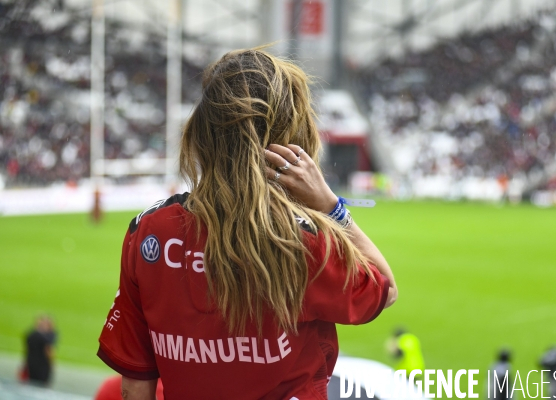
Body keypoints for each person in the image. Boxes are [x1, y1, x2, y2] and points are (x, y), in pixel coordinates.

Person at [97, 48, 398, 399]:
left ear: (201, 134)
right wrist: (333, 208)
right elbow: (385, 290)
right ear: (287, 141)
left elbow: (136, 386)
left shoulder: (149, 232)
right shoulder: (300, 242)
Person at [24, 315, 55, 386]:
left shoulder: (30, 335)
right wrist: (52, 364)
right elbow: (49, 352)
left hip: (31, 362)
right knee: (42, 386)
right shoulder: (46, 339)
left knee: (31, 384)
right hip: (42, 366)